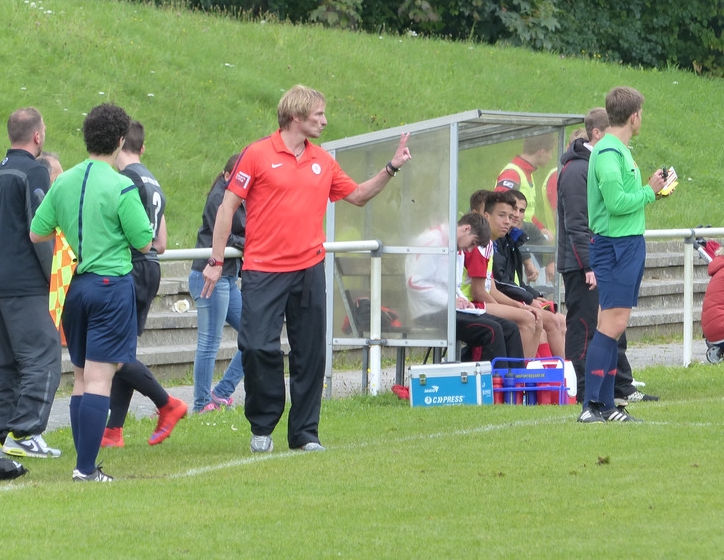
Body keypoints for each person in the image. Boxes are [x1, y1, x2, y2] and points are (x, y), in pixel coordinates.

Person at [200, 84, 411, 454]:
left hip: (309, 270)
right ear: (296, 117)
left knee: (310, 354)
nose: (325, 121)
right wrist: (215, 262)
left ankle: (305, 434)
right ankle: (262, 425)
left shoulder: (323, 160)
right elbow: (226, 208)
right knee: (256, 347)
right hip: (263, 270)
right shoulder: (257, 154)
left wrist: (391, 167)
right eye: (319, 115)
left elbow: (358, 195)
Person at [30, 103, 155, 482]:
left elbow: (37, 231)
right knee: (101, 379)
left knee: (82, 378)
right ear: (120, 140)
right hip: (110, 286)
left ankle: (83, 461)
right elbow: (144, 241)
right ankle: (85, 468)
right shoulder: (121, 185)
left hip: (75, 286)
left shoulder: (64, 180)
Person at [557, 107, 656, 407]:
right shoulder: (589, 162)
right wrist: (587, 264)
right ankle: (591, 399)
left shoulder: (610, 153)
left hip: (612, 248)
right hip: (593, 256)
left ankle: (612, 396)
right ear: (634, 115)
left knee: (612, 326)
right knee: (594, 327)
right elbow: (582, 220)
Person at [580, 87, 665, 424]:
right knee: (613, 324)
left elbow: (622, 199)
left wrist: (649, 191)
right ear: (634, 116)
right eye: (641, 113)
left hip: (625, 244)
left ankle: (606, 404)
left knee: (612, 326)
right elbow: (615, 204)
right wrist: (649, 192)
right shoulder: (608, 152)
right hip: (616, 246)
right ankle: (592, 406)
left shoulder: (618, 150)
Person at [101, 121, 188, 447]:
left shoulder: (125, 180)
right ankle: (113, 431)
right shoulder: (152, 180)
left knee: (114, 352)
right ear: (143, 147)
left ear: (117, 142)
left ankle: (167, 403)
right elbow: (161, 243)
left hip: (131, 267)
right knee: (125, 350)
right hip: (151, 266)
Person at [0, 107, 62, 459]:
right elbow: (39, 230)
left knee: (3, 364)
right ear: (37, 136)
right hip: (25, 283)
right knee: (43, 357)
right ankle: (26, 432)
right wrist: (53, 277)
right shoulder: (34, 171)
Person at [406, 212, 524, 362]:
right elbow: (414, 282)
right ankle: (493, 376)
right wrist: (450, 301)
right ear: (466, 229)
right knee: (491, 330)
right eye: (473, 243)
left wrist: (464, 301)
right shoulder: (433, 241)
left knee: (510, 327)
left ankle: (515, 377)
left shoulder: (458, 247)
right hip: (428, 312)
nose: (469, 250)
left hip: (450, 309)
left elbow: (455, 285)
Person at [190, 154, 246, 413]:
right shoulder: (219, 198)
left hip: (228, 278)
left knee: (255, 334)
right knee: (209, 342)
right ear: (226, 176)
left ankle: (221, 393)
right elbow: (224, 236)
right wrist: (250, 243)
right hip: (210, 276)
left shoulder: (241, 199)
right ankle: (202, 403)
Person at [461, 190, 545, 357]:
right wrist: (505, 310)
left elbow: (491, 288)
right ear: (486, 216)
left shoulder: (489, 245)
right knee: (528, 319)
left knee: (536, 319)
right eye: (502, 216)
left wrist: (519, 306)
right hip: (469, 305)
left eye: (510, 217)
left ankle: (526, 370)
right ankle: (517, 372)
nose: (508, 222)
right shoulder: (477, 245)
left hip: (480, 302)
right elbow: (478, 292)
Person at [495, 133, 557, 281]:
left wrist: (540, 228)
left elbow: (528, 214)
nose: (551, 157)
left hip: (523, 239)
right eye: (550, 152)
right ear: (541, 151)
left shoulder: (527, 173)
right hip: (511, 244)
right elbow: (498, 208)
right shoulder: (513, 173)